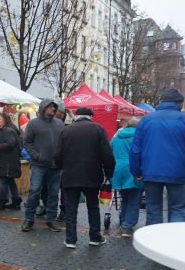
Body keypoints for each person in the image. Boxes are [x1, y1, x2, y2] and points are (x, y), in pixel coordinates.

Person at [54, 107, 115, 249]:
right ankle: (95, 237)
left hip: (70, 175)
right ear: (90, 116)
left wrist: (61, 168)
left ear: (76, 116)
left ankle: (70, 240)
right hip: (92, 175)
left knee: (71, 209)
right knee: (93, 207)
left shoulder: (66, 130)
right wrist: (108, 172)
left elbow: (57, 154)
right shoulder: (98, 129)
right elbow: (107, 155)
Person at [130, 88, 185, 224]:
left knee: (153, 210)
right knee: (177, 209)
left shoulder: (146, 120)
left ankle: (154, 243)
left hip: (150, 171)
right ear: (179, 103)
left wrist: (136, 170)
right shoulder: (183, 119)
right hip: (178, 172)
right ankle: (175, 243)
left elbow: (135, 149)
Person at [22, 99, 64, 232]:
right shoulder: (33, 124)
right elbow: (27, 142)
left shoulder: (59, 123)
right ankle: (28, 219)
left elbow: (63, 142)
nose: (53, 109)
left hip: (56, 166)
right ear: (43, 108)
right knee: (34, 191)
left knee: (53, 193)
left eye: (54, 107)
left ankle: (51, 220)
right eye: (51, 107)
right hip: (39, 165)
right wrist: (37, 156)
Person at [111, 118, 143, 237]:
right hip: (134, 170)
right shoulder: (140, 137)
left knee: (124, 198)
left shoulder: (117, 137)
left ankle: (124, 221)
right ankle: (128, 225)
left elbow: (110, 151)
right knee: (134, 199)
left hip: (119, 170)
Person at [0, 112, 22, 211]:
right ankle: (16, 202)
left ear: (4, 120)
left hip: (7, 162)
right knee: (10, 181)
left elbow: (10, 143)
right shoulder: (6, 130)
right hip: (7, 162)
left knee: (3, 182)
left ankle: (2, 202)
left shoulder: (7, 130)